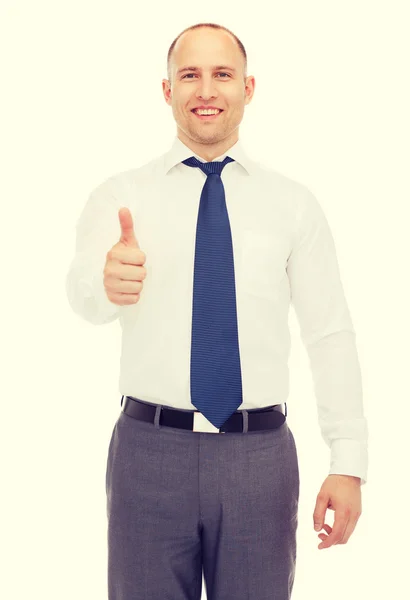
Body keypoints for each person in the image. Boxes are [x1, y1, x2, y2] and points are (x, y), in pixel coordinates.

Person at [66, 21, 368, 600]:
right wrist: (106, 283)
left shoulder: (293, 205)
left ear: (248, 89)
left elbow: (329, 333)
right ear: (167, 90)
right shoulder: (120, 195)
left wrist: (348, 459)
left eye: (222, 75)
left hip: (259, 456)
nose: (206, 90)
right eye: (190, 75)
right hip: (148, 454)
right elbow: (81, 293)